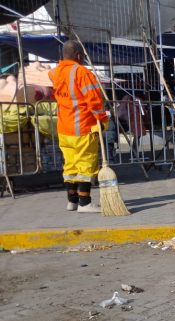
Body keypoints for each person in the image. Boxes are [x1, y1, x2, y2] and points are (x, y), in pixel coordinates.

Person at [49, 40, 109, 213]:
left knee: (70, 166)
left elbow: (51, 76)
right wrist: (102, 119)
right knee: (86, 164)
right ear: (79, 55)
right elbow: (95, 101)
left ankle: (72, 201)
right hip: (82, 127)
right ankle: (85, 202)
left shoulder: (56, 72)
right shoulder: (82, 73)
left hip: (63, 128)